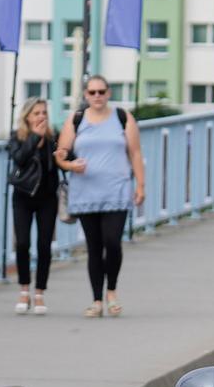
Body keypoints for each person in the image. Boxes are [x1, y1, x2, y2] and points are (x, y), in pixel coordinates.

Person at [54, 75, 146, 318]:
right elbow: (61, 154)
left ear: (108, 93)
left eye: (101, 91)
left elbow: (135, 153)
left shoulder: (122, 118)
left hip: (116, 190)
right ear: (85, 95)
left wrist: (141, 185)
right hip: (86, 193)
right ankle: (96, 300)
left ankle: (112, 292)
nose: (97, 96)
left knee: (112, 242)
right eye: (92, 92)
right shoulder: (76, 120)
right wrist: (70, 165)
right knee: (94, 247)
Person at [5, 98, 59, 315]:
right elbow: (19, 158)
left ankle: (39, 292)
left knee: (44, 245)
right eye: (36, 113)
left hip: (47, 198)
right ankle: (24, 289)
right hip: (23, 196)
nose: (41, 117)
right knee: (22, 243)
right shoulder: (17, 137)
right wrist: (35, 137)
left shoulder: (52, 138)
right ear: (27, 116)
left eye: (44, 112)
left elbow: (64, 157)